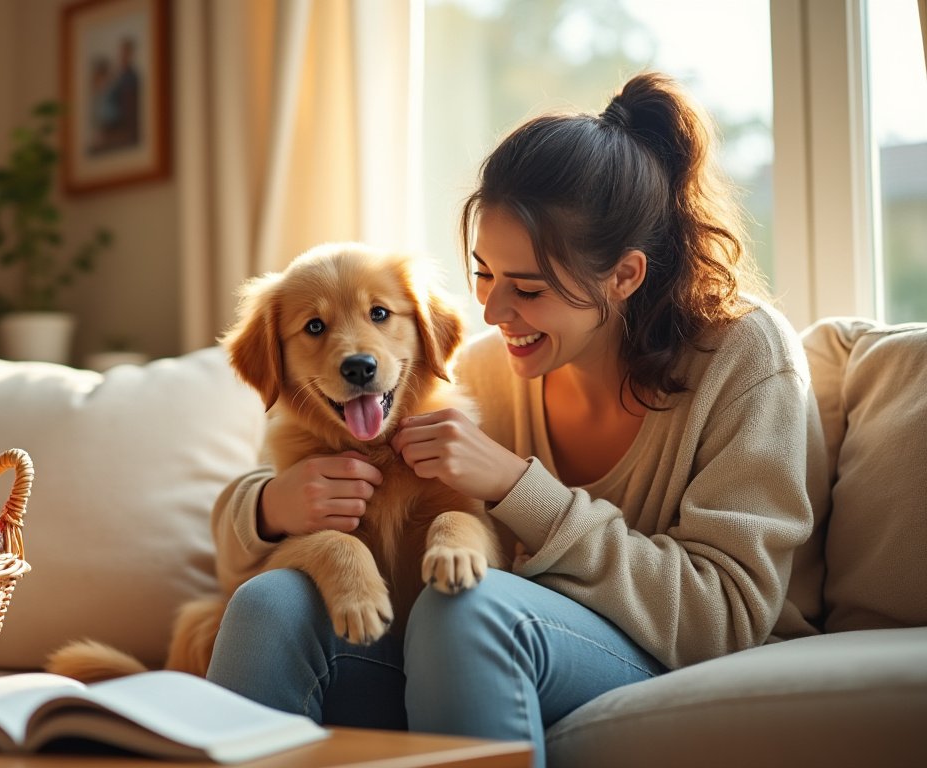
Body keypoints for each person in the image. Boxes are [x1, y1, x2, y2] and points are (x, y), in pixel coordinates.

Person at [203, 71, 826, 767]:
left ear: (624, 276)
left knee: (463, 607)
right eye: (484, 276)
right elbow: (249, 541)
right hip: (484, 659)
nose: (495, 314)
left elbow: (728, 617)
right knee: (269, 606)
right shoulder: (484, 368)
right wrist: (268, 504)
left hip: (677, 656)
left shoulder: (745, 357)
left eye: (527, 288)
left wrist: (516, 487)